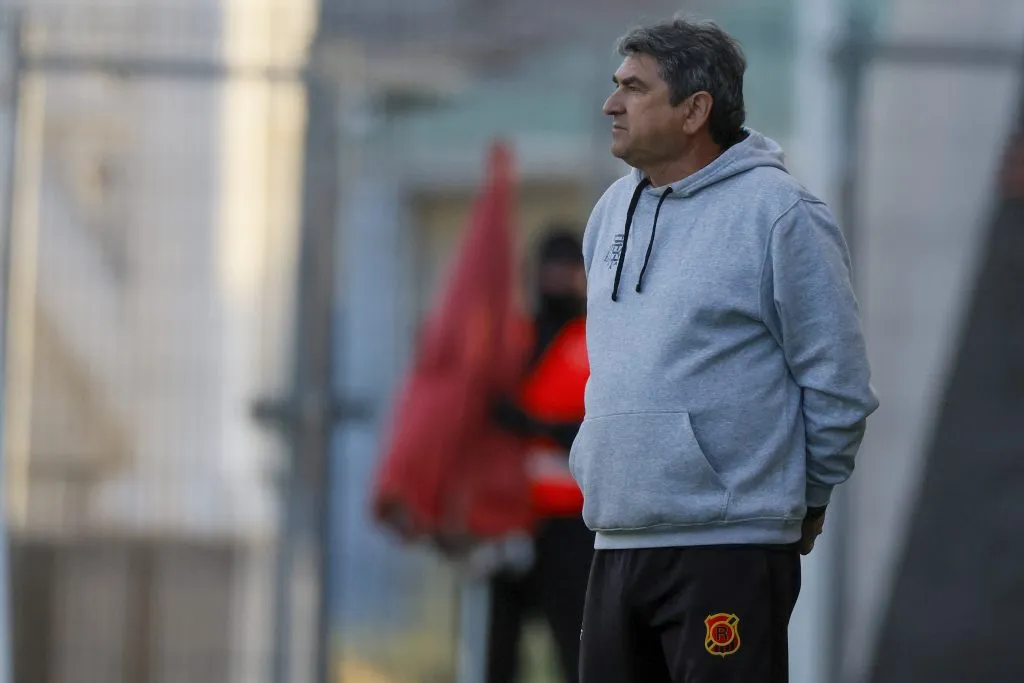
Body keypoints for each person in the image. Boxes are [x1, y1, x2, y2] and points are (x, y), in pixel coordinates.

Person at [570, 17, 879, 683]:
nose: (611, 103)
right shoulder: (608, 213)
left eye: (634, 87)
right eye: (615, 85)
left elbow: (839, 384)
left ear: (694, 110)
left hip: (728, 546)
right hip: (616, 540)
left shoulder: (780, 213)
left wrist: (807, 495)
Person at [486, 228, 594, 683]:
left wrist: (535, 425)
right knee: (499, 650)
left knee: (574, 645)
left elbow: (596, 430)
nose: (557, 279)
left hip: (574, 522)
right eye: (549, 268)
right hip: (513, 518)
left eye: (567, 269)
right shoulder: (517, 338)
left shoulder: (595, 340)